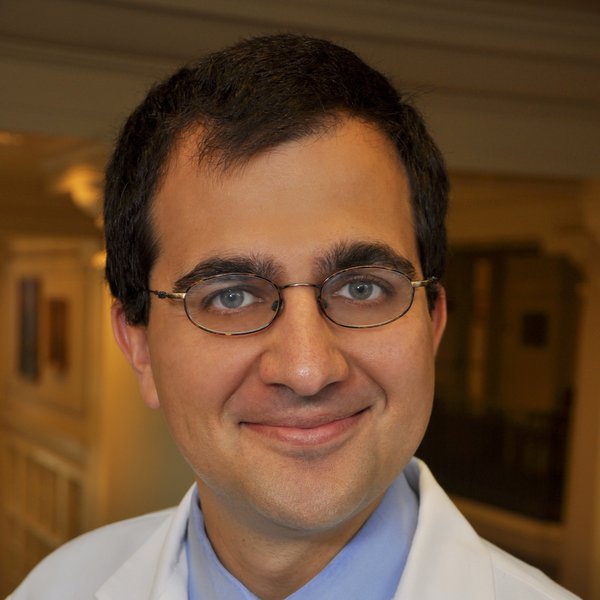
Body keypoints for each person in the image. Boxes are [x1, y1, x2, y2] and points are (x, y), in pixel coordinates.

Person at [10, 34, 579, 600]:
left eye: (361, 288)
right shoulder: (56, 587)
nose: (308, 371)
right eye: (231, 296)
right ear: (139, 346)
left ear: (433, 324)